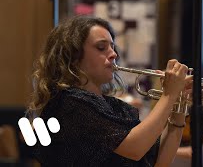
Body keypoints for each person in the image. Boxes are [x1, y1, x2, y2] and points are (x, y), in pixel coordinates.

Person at [28, 15, 193, 166]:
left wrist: (178, 105)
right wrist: (169, 94)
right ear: (73, 56)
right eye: (101, 47)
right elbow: (135, 148)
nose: (113, 54)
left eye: (113, 47)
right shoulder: (70, 103)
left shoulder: (113, 107)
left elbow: (159, 163)